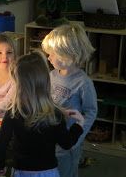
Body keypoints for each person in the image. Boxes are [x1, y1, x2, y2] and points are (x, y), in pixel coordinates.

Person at [0, 51, 84, 177]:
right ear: (46, 81)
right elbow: (66, 143)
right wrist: (79, 124)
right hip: (48, 172)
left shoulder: (13, 113)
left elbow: (2, 143)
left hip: (21, 172)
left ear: (19, 84)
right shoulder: (55, 115)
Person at [41, 23, 98, 177]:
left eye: (52, 53)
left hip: (70, 142)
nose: (48, 57)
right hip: (51, 140)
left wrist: (78, 138)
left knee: (66, 172)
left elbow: (91, 112)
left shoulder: (83, 83)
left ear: (66, 54)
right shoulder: (52, 75)